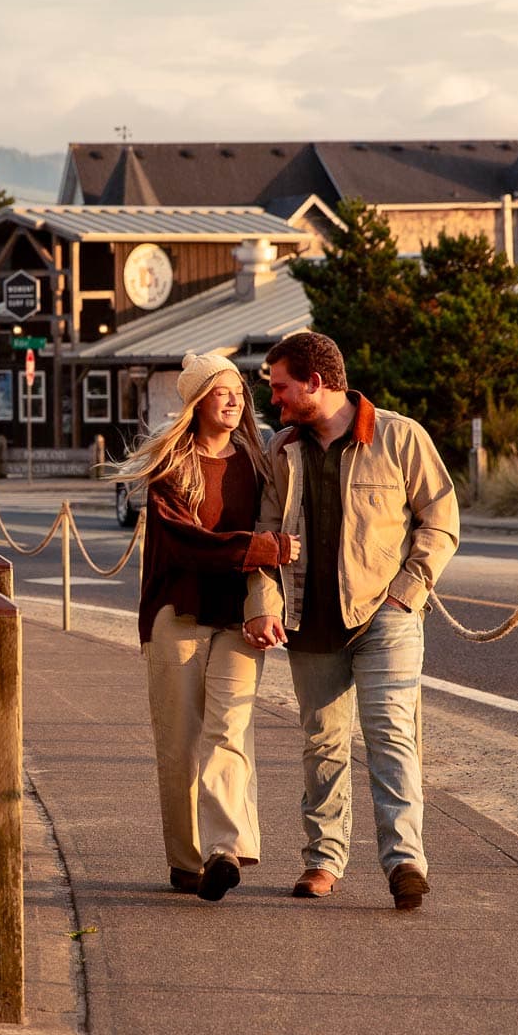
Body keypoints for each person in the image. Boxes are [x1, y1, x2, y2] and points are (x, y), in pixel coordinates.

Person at [243, 332, 460, 912]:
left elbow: (439, 520)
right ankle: (322, 861)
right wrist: (263, 605)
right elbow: (263, 540)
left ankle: (404, 861)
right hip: (306, 621)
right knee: (322, 743)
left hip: (384, 616)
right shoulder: (280, 449)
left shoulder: (399, 436)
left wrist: (405, 593)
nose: (275, 401)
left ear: (315, 383)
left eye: (282, 388)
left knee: (391, 734)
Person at [114, 352, 294, 902]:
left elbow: (273, 530)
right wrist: (259, 549)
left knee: (229, 729)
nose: (235, 399)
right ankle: (186, 861)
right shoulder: (171, 468)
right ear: (197, 402)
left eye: (239, 390)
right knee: (179, 742)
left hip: (238, 618)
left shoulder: (255, 462)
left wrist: (266, 597)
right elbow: (185, 545)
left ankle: (222, 850)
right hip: (180, 615)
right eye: (223, 391)